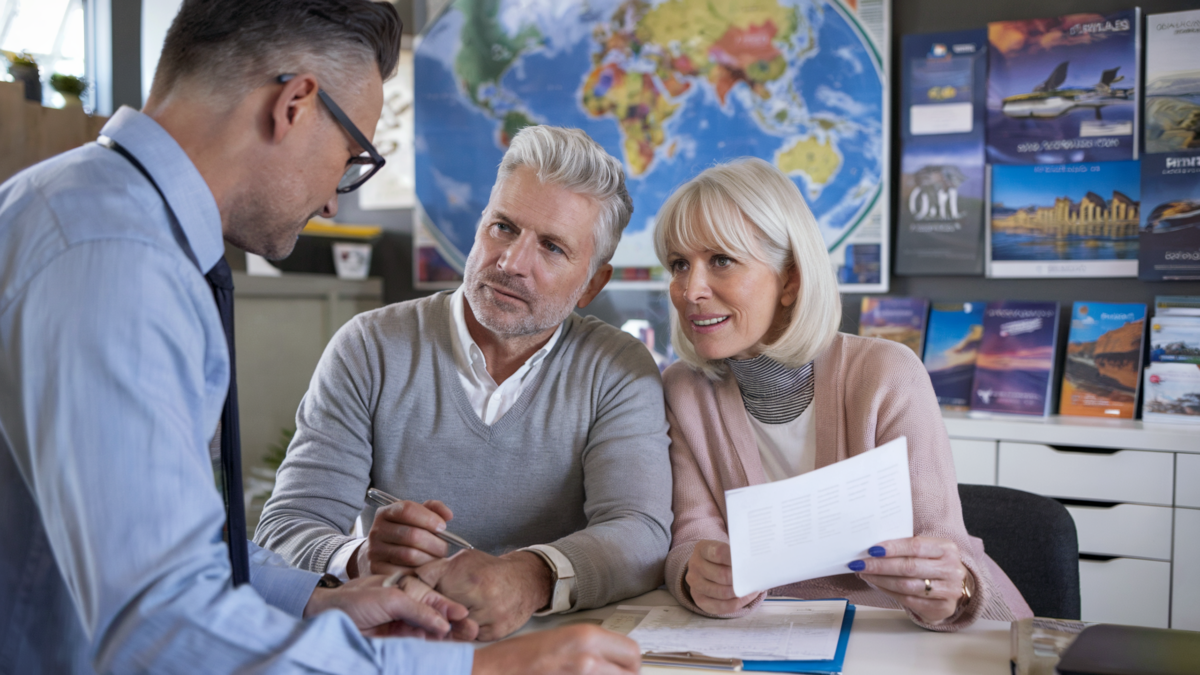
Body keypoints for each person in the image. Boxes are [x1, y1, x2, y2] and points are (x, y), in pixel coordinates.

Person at [0, 1, 639, 673]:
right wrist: (488, 668)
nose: (336, 198)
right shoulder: (116, 259)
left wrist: (314, 599)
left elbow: (159, 552)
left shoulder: (88, 215)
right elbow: (165, 625)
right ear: (296, 105)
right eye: (351, 154)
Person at [254, 124, 674, 641]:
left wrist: (529, 577)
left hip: (552, 655)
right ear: (479, 226)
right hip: (404, 649)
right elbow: (285, 529)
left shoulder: (617, 369)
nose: (512, 263)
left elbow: (641, 533)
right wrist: (359, 557)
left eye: (551, 248)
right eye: (503, 227)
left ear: (592, 284)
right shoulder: (369, 347)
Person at [654, 158, 1033, 630]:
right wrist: (695, 575)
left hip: (906, 634)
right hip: (763, 636)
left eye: (721, 260)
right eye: (678, 265)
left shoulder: (886, 373)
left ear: (790, 279)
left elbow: (946, 546)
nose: (690, 290)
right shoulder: (682, 390)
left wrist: (951, 585)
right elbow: (691, 534)